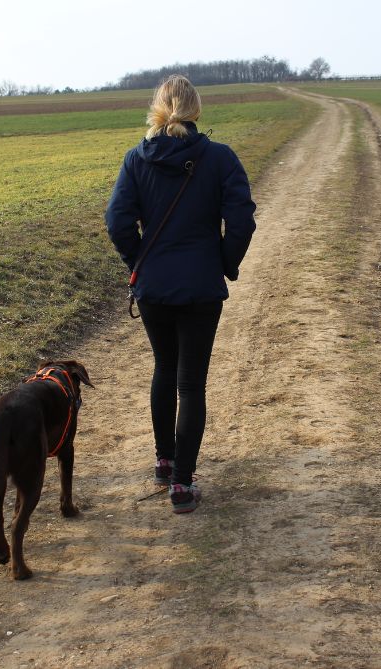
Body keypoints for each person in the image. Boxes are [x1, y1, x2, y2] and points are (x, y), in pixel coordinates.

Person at [104, 75, 256, 514]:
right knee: (191, 383)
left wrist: (139, 263)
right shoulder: (220, 158)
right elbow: (242, 221)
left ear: (157, 108)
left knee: (164, 369)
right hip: (201, 288)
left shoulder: (136, 159)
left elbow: (117, 222)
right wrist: (224, 263)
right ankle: (183, 486)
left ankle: (164, 462)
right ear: (196, 109)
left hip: (154, 286)